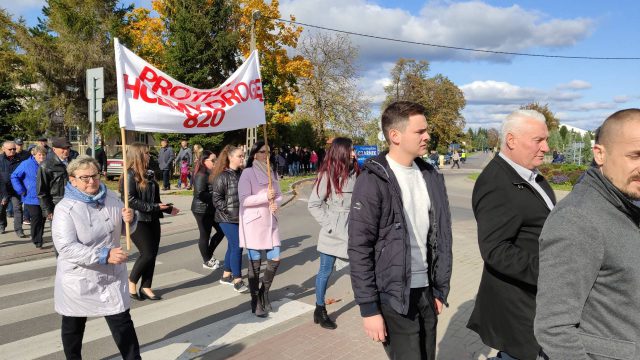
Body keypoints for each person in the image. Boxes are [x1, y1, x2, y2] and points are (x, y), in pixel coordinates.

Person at [348, 101, 453, 360]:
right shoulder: (373, 180)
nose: (427, 136)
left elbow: (441, 237)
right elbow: (359, 247)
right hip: (394, 296)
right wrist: (369, 309)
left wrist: (440, 289)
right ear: (395, 135)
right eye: (420, 131)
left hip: (427, 292)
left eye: (426, 130)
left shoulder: (431, 175)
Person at [534, 109, 640, 359]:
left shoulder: (627, 202)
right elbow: (554, 329)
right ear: (600, 154)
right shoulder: (577, 219)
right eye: (635, 156)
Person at [466, 109, 555, 360]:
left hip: (537, 301)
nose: (546, 147)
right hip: (520, 307)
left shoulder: (531, 176)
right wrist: (552, 271)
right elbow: (495, 250)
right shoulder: (496, 182)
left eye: (546, 139)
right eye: (538, 140)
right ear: (511, 140)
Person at [52, 156, 141, 360]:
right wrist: (103, 254)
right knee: (74, 325)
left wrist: (131, 219)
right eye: (84, 178)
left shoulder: (110, 197)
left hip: (111, 275)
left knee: (122, 321)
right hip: (80, 277)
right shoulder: (65, 208)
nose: (91, 181)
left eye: (95, 176)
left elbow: (125, 230)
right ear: (72, 180)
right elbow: (66, 247)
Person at [308, 137, 359, 329]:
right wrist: (331, 225)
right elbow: (313, 204)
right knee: (325, 272)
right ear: (342, 152)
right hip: (333, 232)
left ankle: (369, 304)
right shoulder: (327, 174)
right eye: (352, 150)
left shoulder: (356, 173)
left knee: (360, 268)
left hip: (353, 230)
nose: (354, 153)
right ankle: (320, 309)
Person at [120, 143, 178, 301]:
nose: (149, 156)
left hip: (152, 218)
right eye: (146, 153)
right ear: (138, 155)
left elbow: (155, 200)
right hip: (137, 220)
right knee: (147, 254)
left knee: (152, 254)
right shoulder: (129, 175)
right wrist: (154, 207)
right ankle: (131, 281)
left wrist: (166, 209)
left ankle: (146, 286)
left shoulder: (150, 174)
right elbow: (129, 200)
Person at [238, 141, 283, 317]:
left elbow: (279, 195)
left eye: (269, 152)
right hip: (254, 223)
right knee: (255, 264)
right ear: (255, 154)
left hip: (270, 221)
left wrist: (276, 203)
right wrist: (265, 197)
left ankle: (264, 292)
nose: (267, 155)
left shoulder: (272, 172)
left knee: (276, 258)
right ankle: (255, 299)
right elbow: (244, 200)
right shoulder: (247, 173)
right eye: (263, 152)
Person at [211, 145, 248, 293]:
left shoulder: (242, 174)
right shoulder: (222, 176)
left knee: (232, 246)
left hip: (241, 217)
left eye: (243, 156)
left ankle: (226, 275)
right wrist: (229, 211)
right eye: (240, 156)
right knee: (237, 245)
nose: (242, 158)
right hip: (226, 218)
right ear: (230, 157)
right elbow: (217, 199)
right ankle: (237, 280)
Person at [191, 150, 225, 270]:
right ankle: (206, 260)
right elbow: (200, 194)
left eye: (216, 159)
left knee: (222, 231)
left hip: (211, 208)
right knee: (205, 234)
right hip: (201, 209)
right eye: (213, 160)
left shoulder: (211, 172)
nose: (216, 162)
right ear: (204, 161)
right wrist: (217, 196)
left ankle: (209, 255)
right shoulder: (201, 174)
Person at [11, 146, 47, 247]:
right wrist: (21, 189)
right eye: (39, 155)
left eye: (44, 154)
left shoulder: (47, 164)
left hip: (44, 196)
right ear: (34, 155)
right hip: (31, 197)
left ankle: (39, 236)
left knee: (43, 218)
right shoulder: (26, 164)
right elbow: (14, 176)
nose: (42, 157)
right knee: (36, 217)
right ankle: (37, 240)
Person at [37, 137, 71, 222]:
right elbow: (41, 191)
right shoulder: (46, 165)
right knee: (59, 233)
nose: (66, 151)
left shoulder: (73, 162)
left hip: (73, 203)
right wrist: (47, 210)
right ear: (54, 149)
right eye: (63, 148)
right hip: (56, 204)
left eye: (68, 148)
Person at [0, 141, 26, 237]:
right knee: (1, 209)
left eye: (14, 149)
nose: (12, 151)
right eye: (10, 149)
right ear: (3, 149)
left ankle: (19, 229)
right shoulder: (0, 160)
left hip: (16, 189)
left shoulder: (20, 160)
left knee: (17, 209)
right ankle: (2, 225)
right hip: (2, 190)